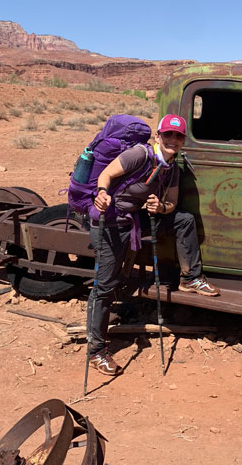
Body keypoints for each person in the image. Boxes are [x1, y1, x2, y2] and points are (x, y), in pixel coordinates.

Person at [87, 114, 220, 376]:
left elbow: (171, 202)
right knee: (105, 285)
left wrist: (160, 207)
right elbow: (106, 175)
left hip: (136, 220)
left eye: (178, 136)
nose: (173, 140)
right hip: (111, 220)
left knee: (183, 220)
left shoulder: (171, 168)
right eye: (168, 135)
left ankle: (191, 278)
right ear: (158, 136)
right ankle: (96, 351)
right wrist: (101, 195)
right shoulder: (140, 155)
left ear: (183, 141)